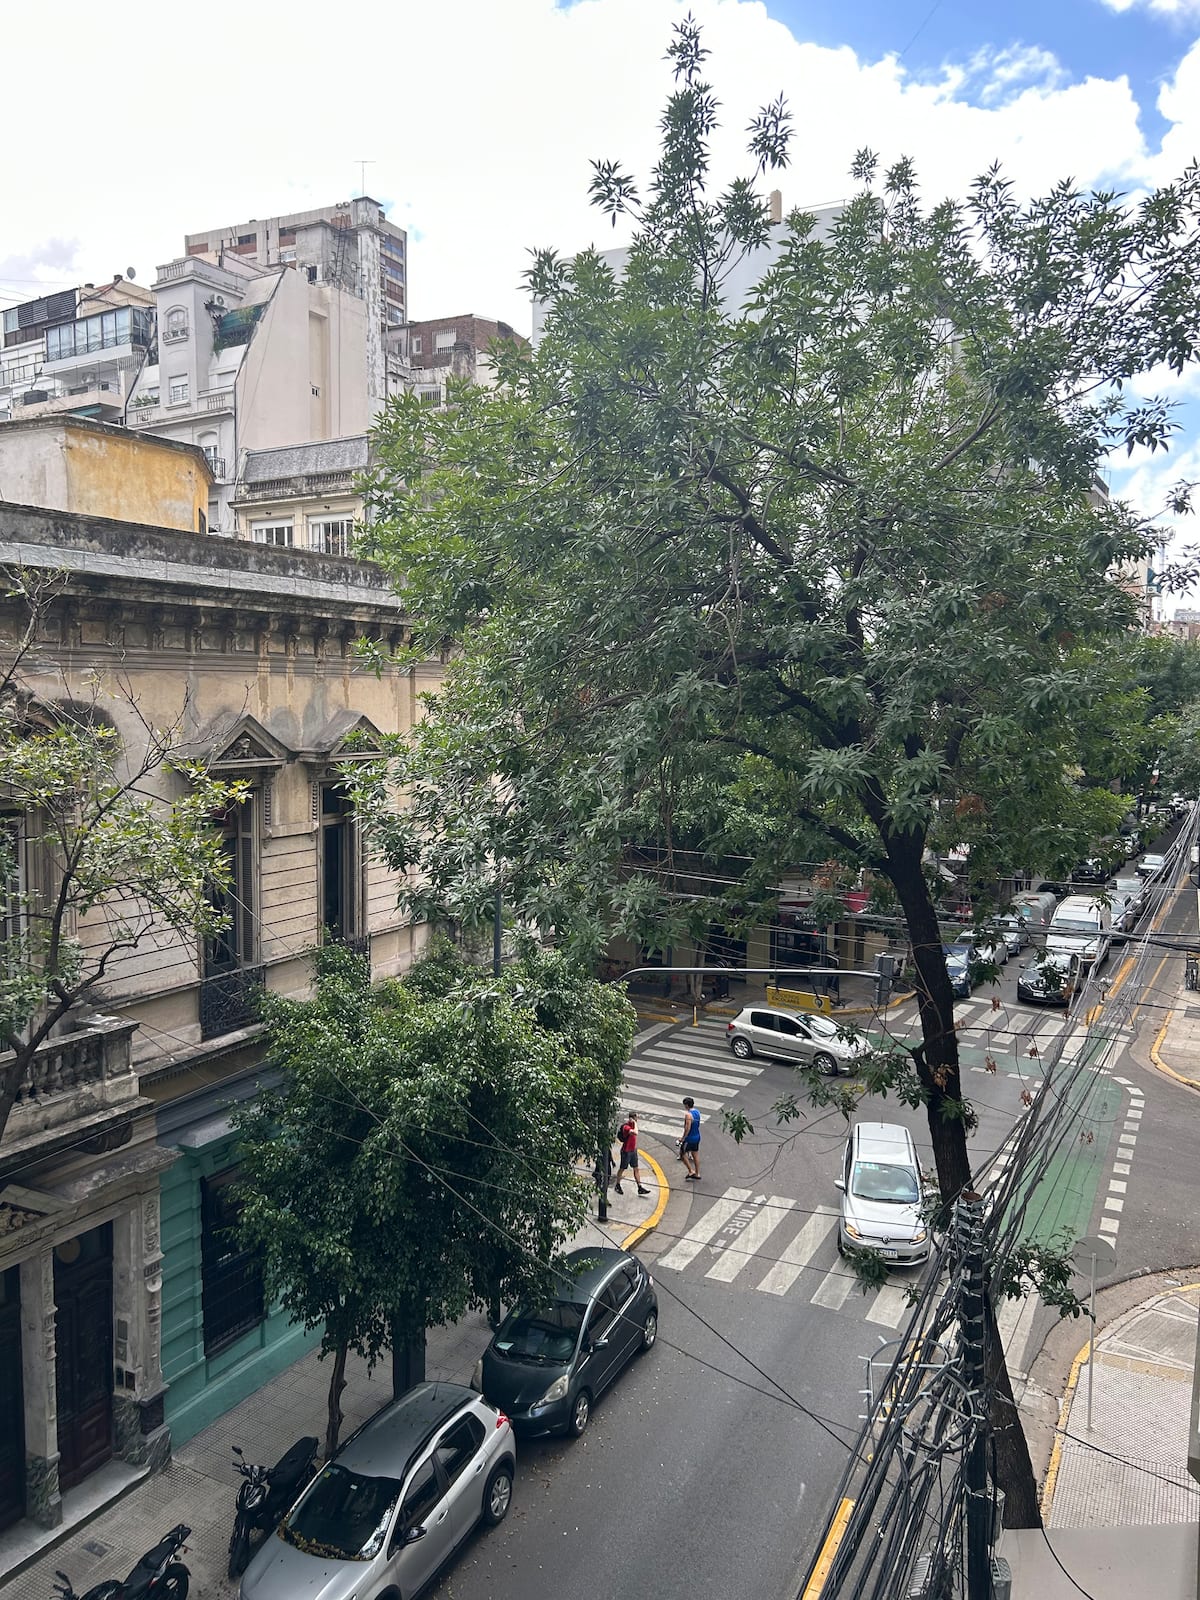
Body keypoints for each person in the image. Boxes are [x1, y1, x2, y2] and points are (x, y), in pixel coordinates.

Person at [614, 1111, 651, 1196]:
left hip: (633, 1150)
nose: (637, 1119)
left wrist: (634, 1123)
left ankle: (639, 1187)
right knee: (622, 1168)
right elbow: (635, 1132)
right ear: (632, 1118)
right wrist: (635, 1123)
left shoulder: (633, 1125)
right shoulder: (626, 1127)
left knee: (636, 1168)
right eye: (636, 1118)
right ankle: (617, 1184)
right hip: (626, 1151)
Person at [679, 1096, 701, 1180]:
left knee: (682, 1154)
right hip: (697, 1136)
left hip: (690, 1138)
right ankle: (697, 1173)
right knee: (695, 1155)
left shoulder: (688, 1115)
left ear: (687, 1105)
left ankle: (691, 1171)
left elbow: (687, 1128)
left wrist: (683, 1138)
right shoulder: (697, 1112)